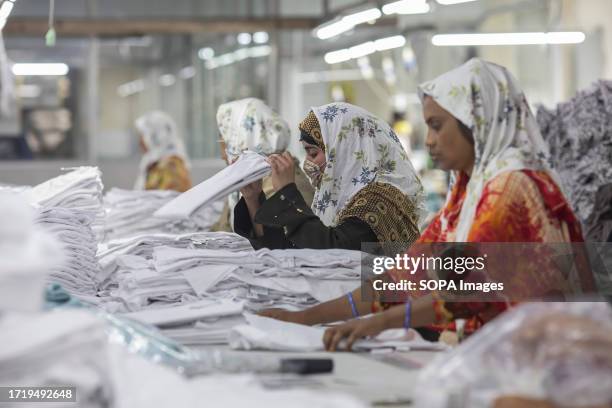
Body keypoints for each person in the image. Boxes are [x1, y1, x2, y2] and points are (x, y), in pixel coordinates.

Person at [260, 59, 590, 350]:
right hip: (502, 348)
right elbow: (404, 276)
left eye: (436, 125)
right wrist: (305, 317)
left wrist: (377, 323)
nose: (429, 140)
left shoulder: (512, 187)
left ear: (476, 124)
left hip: (544, 359)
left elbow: (464, 293)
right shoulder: (470, 189)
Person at [234, 102, 424, 251]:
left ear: (345, 151)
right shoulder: (336, 198)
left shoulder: (378, 201)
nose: (308, 162)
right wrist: (252, 199)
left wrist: (287, 193)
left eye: (313, 153)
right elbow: (290, 250)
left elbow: (331, 253)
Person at [211, 98, 314, 232]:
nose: (223, 155)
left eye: (225, 141)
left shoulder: (283, 183)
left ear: (242, 139)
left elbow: (276, 244)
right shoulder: (250, 180)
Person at [134, 111, 192, 192]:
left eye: (143, 135)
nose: (140, 141)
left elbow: (170, 200)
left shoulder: (172, 165)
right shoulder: (153, 162)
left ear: (156, 136)